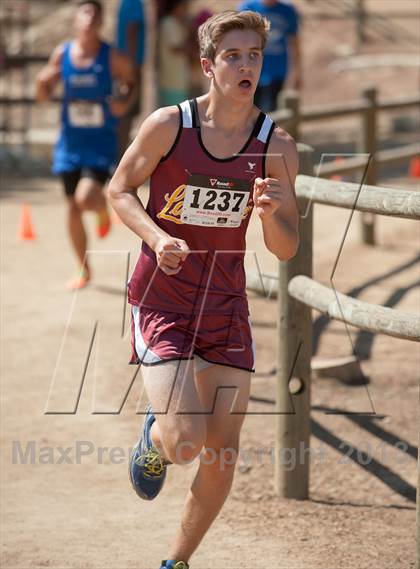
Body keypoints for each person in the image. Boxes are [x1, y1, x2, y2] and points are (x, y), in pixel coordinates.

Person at [108, 10, 299, 569]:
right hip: (163, 298)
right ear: (208, 66)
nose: (246, 66)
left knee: (223, 452)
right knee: (186, 444)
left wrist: (267, 216)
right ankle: (156, 438)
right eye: (233, 56)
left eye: (254, 56)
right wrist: (156, 234)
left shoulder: (276, 145)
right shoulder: (171, 125)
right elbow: (120, 190)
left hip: (224, 304)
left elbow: (287, 248)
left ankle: (177, 562)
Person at [36, 0, 134, 289]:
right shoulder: (62, 54)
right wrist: (43, 82)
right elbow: (43, 95)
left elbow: (131, 82)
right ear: (76, 20)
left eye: (95, 13)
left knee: (85, 197)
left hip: (100, 143)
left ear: (101, 22)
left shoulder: (113, 57)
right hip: (69, 143)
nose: (90, 18)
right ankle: (83, 269)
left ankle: (102, 208)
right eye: (85, 12)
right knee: (71, 207)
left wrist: (123, 101)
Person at [237, 0, 302, 112]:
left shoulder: (288, 10)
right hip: (251, 69)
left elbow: (294, 42)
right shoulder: (247, 8)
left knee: (271, 109)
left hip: (277, 69)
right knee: (249, 108)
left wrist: (298, 71)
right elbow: (238, 40)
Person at [115, 0, 146, 157]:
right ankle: (119, 157)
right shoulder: (134, 2)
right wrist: (132, 66)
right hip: (130, 65)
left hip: (126, 63)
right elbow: (132, 30)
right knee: (126, 111)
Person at [158, 0, 190, 106]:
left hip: (178, 80)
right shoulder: (169, 23)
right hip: (171, 80)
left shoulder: (176, 23)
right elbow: (175, 47)